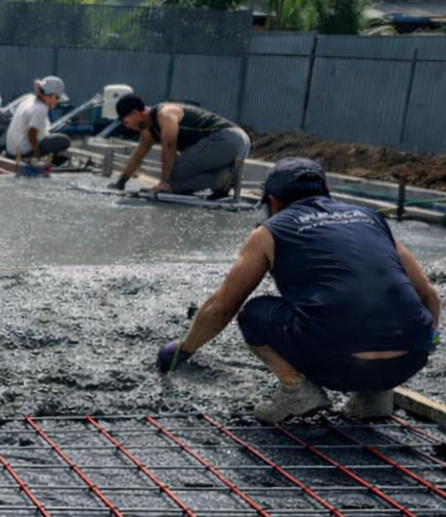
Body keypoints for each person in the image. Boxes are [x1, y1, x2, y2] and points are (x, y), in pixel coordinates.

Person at [157, 158, 439, 424]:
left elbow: (223, 305)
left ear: (273, 201)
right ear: (326, 191)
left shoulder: (270, 231)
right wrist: (429, 339)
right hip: (411, 358)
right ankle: (374, 396)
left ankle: (296, 391)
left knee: (254, 313)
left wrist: (184, 348)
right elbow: (427, 295)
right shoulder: (371, 219)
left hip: (338, 364)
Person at [112, 95, 249, 199]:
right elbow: (138, 156)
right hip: (234, 144)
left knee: (173, 176)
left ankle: (222, 178)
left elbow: (170, 147)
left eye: (125, 121)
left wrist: (164, 183)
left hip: (228, 139)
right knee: (176, 181)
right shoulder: (149, 130)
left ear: (135, 113)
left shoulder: (164, 114)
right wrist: (121, 182)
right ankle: (222, 178)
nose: (126, 126)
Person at [5, 76, 70, 172]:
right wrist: (37, 154)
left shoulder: (29, 99)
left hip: (12, 149)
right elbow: (31, 133)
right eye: (57, 97)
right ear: (50, 95)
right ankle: (39, 157)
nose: (57, 101)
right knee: (64, 140)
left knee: (51, 137)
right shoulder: (41, 108)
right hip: (23, 151)